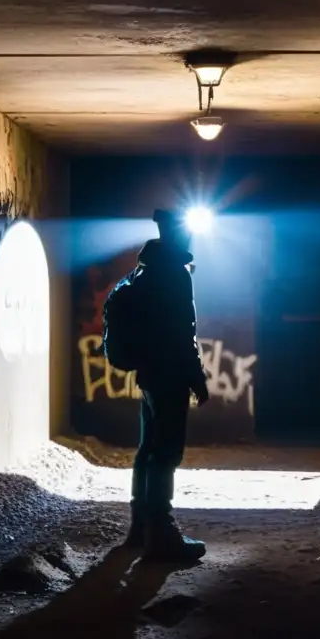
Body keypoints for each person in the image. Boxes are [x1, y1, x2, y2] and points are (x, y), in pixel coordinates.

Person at [124, 208, 210, 561]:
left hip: (148, 374)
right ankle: (161, 537)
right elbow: (181, 334)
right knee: (167, 452)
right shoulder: (174, 274)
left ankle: (139, 530)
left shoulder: (143, 271)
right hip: (170, 373)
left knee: (148, 450)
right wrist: (196, 378)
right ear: (179, 233)